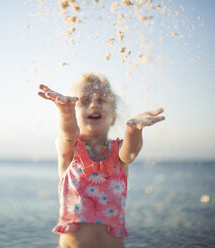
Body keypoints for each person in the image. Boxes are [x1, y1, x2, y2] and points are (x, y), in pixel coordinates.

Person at [38, 73, 165, 248]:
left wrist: (133, 131)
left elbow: (130, 152)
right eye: (84, 100)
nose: (94, 104)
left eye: (101, 100)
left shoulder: (117, 151)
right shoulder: (71, 149)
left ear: (112, 117)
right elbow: (68, 133)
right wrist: (66, 113)